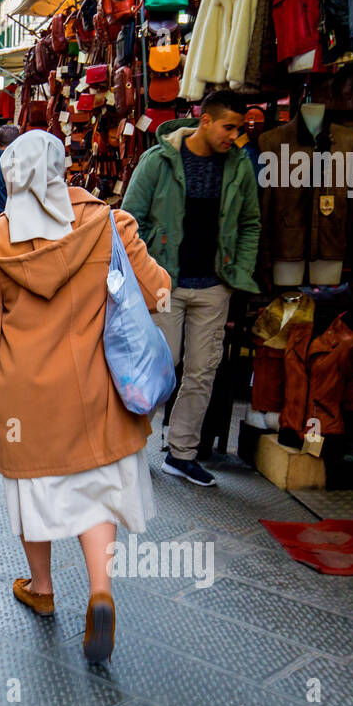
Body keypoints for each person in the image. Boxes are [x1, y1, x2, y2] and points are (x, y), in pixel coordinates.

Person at [0, 129, 170, 663]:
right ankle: (100, 590)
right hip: (98, 391)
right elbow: (157, 290)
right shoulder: (110, 224)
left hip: (23, 401)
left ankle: (43, 589)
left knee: (36, 493)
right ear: (62, 168)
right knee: (96, 489)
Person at [121, 89, 261, 486]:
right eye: (229, 127)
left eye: (239, 129)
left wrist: (238, 272)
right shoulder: (160, 159)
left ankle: (181, 453)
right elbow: (130, 221)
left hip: (214, 286)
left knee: (202, 372)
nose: (233, 136)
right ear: (206, 121)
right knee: (157, 370)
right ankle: (128, 450)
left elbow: (251, 221)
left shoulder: (238, 166)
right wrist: (144, 275)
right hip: (165, 283)